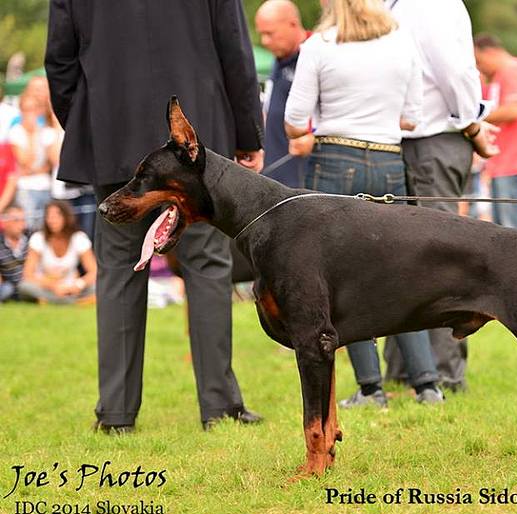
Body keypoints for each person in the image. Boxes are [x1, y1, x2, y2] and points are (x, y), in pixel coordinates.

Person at [46, 0, 264, 432]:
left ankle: (116, 414)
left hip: (114, 131)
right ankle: (219, 407)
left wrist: (91, 122)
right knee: (206, 264)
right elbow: (234, 50)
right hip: (195, 141)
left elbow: (60, 64)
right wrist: (246, 133)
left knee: (118, 271)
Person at [285, 0, 443, 406]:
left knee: (340, 277)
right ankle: (427, 384)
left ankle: (372, 387)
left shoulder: (319, 45)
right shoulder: (400, 41)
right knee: (402, 271)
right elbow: (413, 116)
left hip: (336, 155)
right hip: (389, 158)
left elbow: (293, 118)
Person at [382, 0, 498, 393]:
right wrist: (471, 123)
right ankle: (426, 373)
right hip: (427, 139)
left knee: (422, 260)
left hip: (421, 139)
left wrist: (469, 121)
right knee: (424, 260)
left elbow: (446, 69)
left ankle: (425, 373)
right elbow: (454, 69)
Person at [474, 33, 517, 231]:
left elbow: (514, 110)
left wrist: (473, 119)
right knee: (505, 230)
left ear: (489, 52)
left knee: (514, 231)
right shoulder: (500, 75)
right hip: (503, 163)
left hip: (515, 162)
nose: (479, 67)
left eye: (479, 61)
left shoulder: (513, 70)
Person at [255, 0, 313, 187]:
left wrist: (313, 137)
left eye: (270, 34)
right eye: (261, 34)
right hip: (273, 171)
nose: (264, 41)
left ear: (293, 24)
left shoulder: (314, 54)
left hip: (304, 176)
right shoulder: (280, 57)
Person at [18, 200, 95, 304]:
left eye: (57, 215)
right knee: (25, 287)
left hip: (72, 287)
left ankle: (52, 301)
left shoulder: (79, 238)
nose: (52, 220)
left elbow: (94, 271)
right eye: (49, 216)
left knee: (96, 286)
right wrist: (53, 286)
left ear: (66, 217)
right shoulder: (38, 238)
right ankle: (73, 302)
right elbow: (28, 274)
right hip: (46, 287)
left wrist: (78, 285)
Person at [8, 92, 56, 230]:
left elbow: (49, 164)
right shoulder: (16, 132)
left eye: (34, 108)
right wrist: (32, 134)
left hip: (46, 187)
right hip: (26, 188)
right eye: (28, 109)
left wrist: (32, 170)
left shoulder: (46, 131)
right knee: (27, 228)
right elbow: (26, 161)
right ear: (21, 110)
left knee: (44, 230)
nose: (31, 113)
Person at [0, 205, 29, 302]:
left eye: (23, 220)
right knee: (7, 289)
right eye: (16, 220)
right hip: (8, 289)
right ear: (4, 222)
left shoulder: (31, 240)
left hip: (29, 287)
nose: (22, 224)